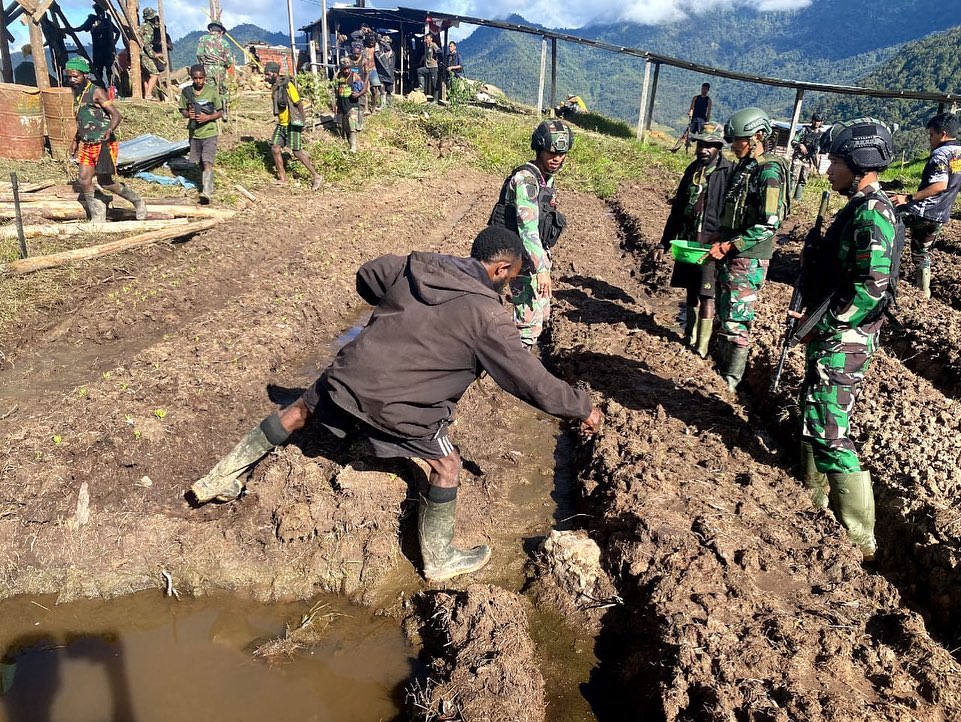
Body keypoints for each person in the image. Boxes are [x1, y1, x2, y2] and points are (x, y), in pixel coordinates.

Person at [189, 226, 604, 582]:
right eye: (511, 277)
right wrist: (581, 407)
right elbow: (528, 380)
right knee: (446, 466)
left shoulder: (418, 265)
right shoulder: (488, 316)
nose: (509, 286)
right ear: (498, 269)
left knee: (298, 411)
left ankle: (218, 479)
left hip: (348, 379)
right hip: (402, 411)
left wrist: (394, 305)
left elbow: (369, 274)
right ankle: (440, 560)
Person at [790, 118, 899, 562]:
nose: (827, 169)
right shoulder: (856, 207)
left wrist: (829, 324)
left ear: (860, 164)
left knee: (832, 430)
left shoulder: (874, 212)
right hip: (835, 330)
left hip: (846, 337)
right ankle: (811, 500)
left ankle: (860, 542)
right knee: (814, 411)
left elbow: (871, 285)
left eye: (834, 161)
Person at [707, 106, 788, 390]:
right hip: (731, 254)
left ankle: (729, 383)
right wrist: (719, 234)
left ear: (757, 136)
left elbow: (770, 223)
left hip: (747, 258)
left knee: (736, 322)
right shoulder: (745, 168)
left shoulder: (769, 172)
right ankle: (717, 372)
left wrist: (731, 244)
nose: (733, 146)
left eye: (738, 141)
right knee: (723, 313)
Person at [488, 120, 573, 351]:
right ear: (539, 149)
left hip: (529, 255)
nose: (556, 158)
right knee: (527, 325)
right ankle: (514, 368)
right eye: (551, 153)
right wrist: (542, 269)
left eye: (561, 154)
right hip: (518, 256)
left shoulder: (544, 177)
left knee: (541, 312)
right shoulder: (527, 180)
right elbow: (528, 229)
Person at [654, 127, 734, 358]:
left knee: (707, 294)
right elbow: (678, 208)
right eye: (700, 145)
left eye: (708, 146)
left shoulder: (727, 172)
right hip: (688, 241)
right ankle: (689, 333)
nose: (703, 150)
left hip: (711, 243)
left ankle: (702, 346)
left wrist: (725, 241)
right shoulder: (692, 170)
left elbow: (731, 214)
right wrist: (664, 243)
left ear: (719, 148)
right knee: (690, 290)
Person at [65, 57, 145, 224]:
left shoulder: (96, 92)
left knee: (105, 182)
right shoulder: (77, 94)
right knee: (84, 179)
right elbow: (82, 120)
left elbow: (116, 114)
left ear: (85, 75)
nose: (72, 80)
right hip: (87, 143)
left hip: (103, 143)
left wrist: (109, 130)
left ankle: (137, 200)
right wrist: (75, 140)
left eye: (75, 76)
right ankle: (98, 213)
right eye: (69, 76)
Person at [891, 113, 961, 298]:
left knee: (887, 222)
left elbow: (939, 185)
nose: (929, 139)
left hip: (922, 210)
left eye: (931, 135)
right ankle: (924, 294)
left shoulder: (940, 154)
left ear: (943, 134)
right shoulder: (959, 153)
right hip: (941, 215)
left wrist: (908, 197)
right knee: (921, 252)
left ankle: (884, 278)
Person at [264, 61, 323, 190]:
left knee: (297, 152)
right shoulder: (275, 86)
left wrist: (302, 121)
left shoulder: (288, 86)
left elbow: (299, 104)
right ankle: (283, 178)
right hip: (282, 123)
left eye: (268, 74)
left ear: (274, 73)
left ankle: (316, 176)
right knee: (275, 148)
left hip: (292, 123)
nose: (265, 77)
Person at [179, 64, 223, 204]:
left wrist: (208, 117)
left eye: (201, 78)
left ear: (205, 78)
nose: (198, 81)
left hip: (209, 132)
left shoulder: (211, 92)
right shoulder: (187, 92)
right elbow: (182, 110)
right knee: (199, 162)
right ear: (191, 78)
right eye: (195, 78)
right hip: (195, 132)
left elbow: (220, 112)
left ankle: (207, 191)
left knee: (207, 160)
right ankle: (206, 183)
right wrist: (188, 114)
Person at [72, 5, 120, 87]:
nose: (100, 13)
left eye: (101, 11)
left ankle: (111, 86)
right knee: (99, 69)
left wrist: (114, 42)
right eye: (98, 11)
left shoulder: (107, 22)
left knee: (109, 69)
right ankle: (101, 86)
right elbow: (82, 28)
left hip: (108, 49)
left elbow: (118, 32)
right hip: (98, 50)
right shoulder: (92, 20)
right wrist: (71, 29)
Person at [791, 112, 827, 200]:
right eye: (815, 120)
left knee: (803, 179)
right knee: (793, 178)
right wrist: (800, 145)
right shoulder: (805, 130)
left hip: (808, 159)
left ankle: (797, 199)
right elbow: (794, 141)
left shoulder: (821, 134)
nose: (817, 123)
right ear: (812, 120)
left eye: (819, 121)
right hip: (799, 158)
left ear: (821, 122)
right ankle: (787, 196)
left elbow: (821, 149)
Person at [139, 7, 172, 100]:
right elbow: (146, 43)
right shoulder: (147, 28)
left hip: (142, 54)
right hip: (144, 54)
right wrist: (154, 55)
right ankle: (148, 94)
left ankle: (146, 95)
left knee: (146, 76)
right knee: (155, 74)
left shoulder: (145, 26)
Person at [331, 56, 363, 153]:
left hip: (352, 105)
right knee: (345, 128)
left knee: (352, 127)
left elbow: (364, 87)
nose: (346, 70)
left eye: (348, 68)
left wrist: (358, 94)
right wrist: (335, 103)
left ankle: (353, 147)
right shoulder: (337, 76)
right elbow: (335, 91)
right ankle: (349, 146)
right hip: (342, 105)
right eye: (344, 68)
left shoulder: (354, 76)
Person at [196, 21, 233, 99]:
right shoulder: (224, 42)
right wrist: (226, 65)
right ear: (221, 31)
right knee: (222, 91)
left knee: (209, 90)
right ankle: (223, 108)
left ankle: (211, 109)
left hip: (207, 68)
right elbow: (229, 59)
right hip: (220, 69)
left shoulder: (203, 39)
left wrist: (203, 64)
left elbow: (199, 54)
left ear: (210, 29)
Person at [672, 83, 712, 153]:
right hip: (694, 119)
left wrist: (707, 122)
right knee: (686, 134)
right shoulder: (696, 98)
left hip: (702, 121)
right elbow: (692, 107)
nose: (703, 90)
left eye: (705, 89)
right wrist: (690, 112)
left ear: (708, 90)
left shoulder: (708, 100)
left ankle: (698, 153)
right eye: (703, 88)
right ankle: (675, 148)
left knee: (701, 139)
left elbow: (708, 112)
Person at [416, 34, 439, 102]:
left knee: (435, 84)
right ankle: (421, 87)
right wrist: (420, 61)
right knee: (419, 70)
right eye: (425, 39)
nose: (425, 40)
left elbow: (439, 52)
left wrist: (437, 59)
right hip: (427, 67)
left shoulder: (433, 45)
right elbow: (425, 55)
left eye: (427, 38)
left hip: (433, 67)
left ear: (431, 39)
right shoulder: (427, 47)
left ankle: (435, 100)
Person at [374, 36, 395, 109]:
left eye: (388, 42)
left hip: (390, 74)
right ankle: (383, 104)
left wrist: (382, 41)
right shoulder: (379, 53)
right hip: (382, 74)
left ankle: (389, 105)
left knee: (389, 90)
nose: (387, 44)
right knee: (382, 89)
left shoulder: (392, 53)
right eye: (386, 43)